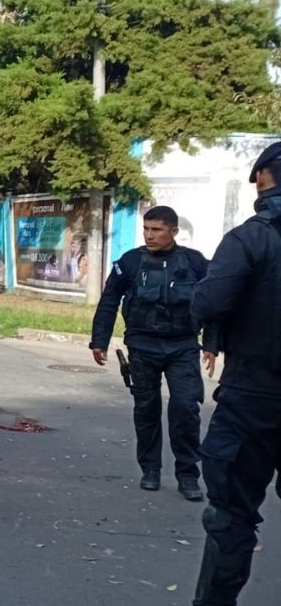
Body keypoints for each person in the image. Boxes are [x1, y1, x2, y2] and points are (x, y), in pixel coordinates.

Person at [189, 142, 281, 605]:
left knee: (231, 518)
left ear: (264, 179)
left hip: (254, 398)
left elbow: (207, 304)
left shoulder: (250, 238)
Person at [89, 206, 214, 501]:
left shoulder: (195, 263)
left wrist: (211, 342)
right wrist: (99, 340)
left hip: (182, 345)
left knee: (186, 408)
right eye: (146, 229)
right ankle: (150, 469)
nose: (149, 235)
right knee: (146, 409)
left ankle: (187, 475)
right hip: (142, 344)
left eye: (156, 230)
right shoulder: (130, 262)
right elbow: (109, 301)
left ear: (173, 231)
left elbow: (213, 304)